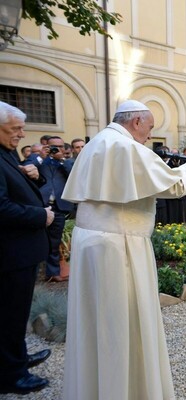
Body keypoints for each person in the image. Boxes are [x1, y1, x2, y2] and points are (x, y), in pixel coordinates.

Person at [61, 100, 186, 400]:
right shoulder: (125, 147)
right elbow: (174, 185)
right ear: (136, 122)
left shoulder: (96, 144)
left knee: (95, 322)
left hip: (89, 242)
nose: (149, 133)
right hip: (118, 247)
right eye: (150, 127)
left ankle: (94, 387)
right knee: (120, 322)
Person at [0, 101, 53, 395]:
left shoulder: (6, 153)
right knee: (9, 314)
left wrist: (36, 176)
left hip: (20, 251)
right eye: (16, 128)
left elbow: (18, 189)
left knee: (16, 312)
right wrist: (40, 216)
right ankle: (12, 375)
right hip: (10, 253)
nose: (22, 134)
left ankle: (17, 358)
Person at [25, 136, 74, 281]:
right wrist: (41, 156)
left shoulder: (67, 163)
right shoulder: (38, 160)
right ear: (46, 146)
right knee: (35, 239)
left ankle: (52, 273)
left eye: (60, 146)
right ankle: (33, 273)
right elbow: (25, 168)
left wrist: (62, 160)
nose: (56, 149)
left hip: (58, 207)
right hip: (40, 205)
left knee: (54, 241)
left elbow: (74, 175)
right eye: (53, 146)